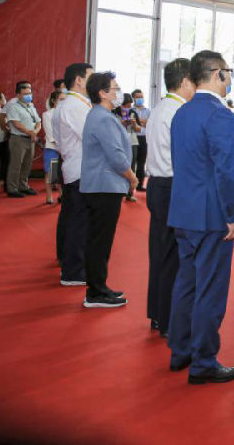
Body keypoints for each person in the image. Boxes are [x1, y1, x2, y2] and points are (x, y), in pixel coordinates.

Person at [167, 50, 234, 384]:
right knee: (210, 290)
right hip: (212, 217)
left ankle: (180, 350)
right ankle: (203, 362)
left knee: (186, 285)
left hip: (184, 212)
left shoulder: (181, 113)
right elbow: (226, 171)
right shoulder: (220, 115)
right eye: (228, 72)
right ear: (217, 74)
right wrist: (232, 214)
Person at [145, 58, 195, 338]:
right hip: (172, 185)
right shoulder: (178, 112)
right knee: (172, 255)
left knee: (160, 252)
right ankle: (167, 318)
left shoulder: (160, 108)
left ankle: (158, 312)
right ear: (185, 81)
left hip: (158, 184)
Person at [80, 72, 136, 308]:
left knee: (99, 239)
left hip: (102, 185)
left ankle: (98, 287)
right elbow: (115, 155)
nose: (118, 93)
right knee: (100, 241)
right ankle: (96, 291)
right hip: (104, 185)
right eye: (115, 89)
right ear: (102, 93)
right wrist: (131, 176)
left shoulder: (100, 115)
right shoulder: (103, 118)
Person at [53, 62, 94, 284]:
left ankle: (66, 259)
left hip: (73, 165)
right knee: (79, 222)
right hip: (80, 168)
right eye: (91, 77)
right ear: (79, 80)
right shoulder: (75, 106)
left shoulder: (68, 104)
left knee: (70, 218)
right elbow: (91, 136)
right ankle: (74, 271)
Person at [5, 81, 41, 198]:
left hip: (30, 139)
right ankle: (12, 188)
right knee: (16, 164)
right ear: (18, 95)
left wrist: (34, 132)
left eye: (29, 93)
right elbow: (17, 124)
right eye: (25, 94)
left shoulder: (31, 106)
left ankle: (23, 186)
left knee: (27, 164)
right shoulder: (13, 107)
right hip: (18, 139)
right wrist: (31, 132)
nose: (28, 96)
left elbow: (38, 122)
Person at [115, 94, 141, 201]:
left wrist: (134, 125)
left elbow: (139, 129)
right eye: (125, 105)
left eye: (129, 105)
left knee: (131, 166)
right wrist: (121, 123)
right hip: (119, 143)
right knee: (119, 166)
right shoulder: (113, 113)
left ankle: (129, 193)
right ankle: (119, 192)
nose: (127, 108)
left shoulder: (133, 113)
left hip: (132, 142)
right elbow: (111, 127)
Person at [42, 91, 66, 204]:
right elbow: (50, 134)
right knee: (51, 173)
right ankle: (49, 196)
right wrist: (61, 145)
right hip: (53, 148)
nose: (64, 101)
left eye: (65, 99)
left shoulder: (67, 113)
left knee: (62, 173)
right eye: (61, 99)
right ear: (53, 101)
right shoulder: (47, 114)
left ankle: (62, 195)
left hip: (65, 148)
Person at [132, 89, 151, 192]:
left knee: (141, 162)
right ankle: (129, 187)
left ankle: (140, 185)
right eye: (138, 97)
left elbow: (151, 123)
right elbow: (131, 124)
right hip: (133, 138)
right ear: (133, 98)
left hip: (144, 138)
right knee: (131, 162)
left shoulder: (147, 111)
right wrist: (143, 122)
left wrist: (138, 121)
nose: (140, 99)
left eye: (141, 97)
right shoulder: (130, 110)